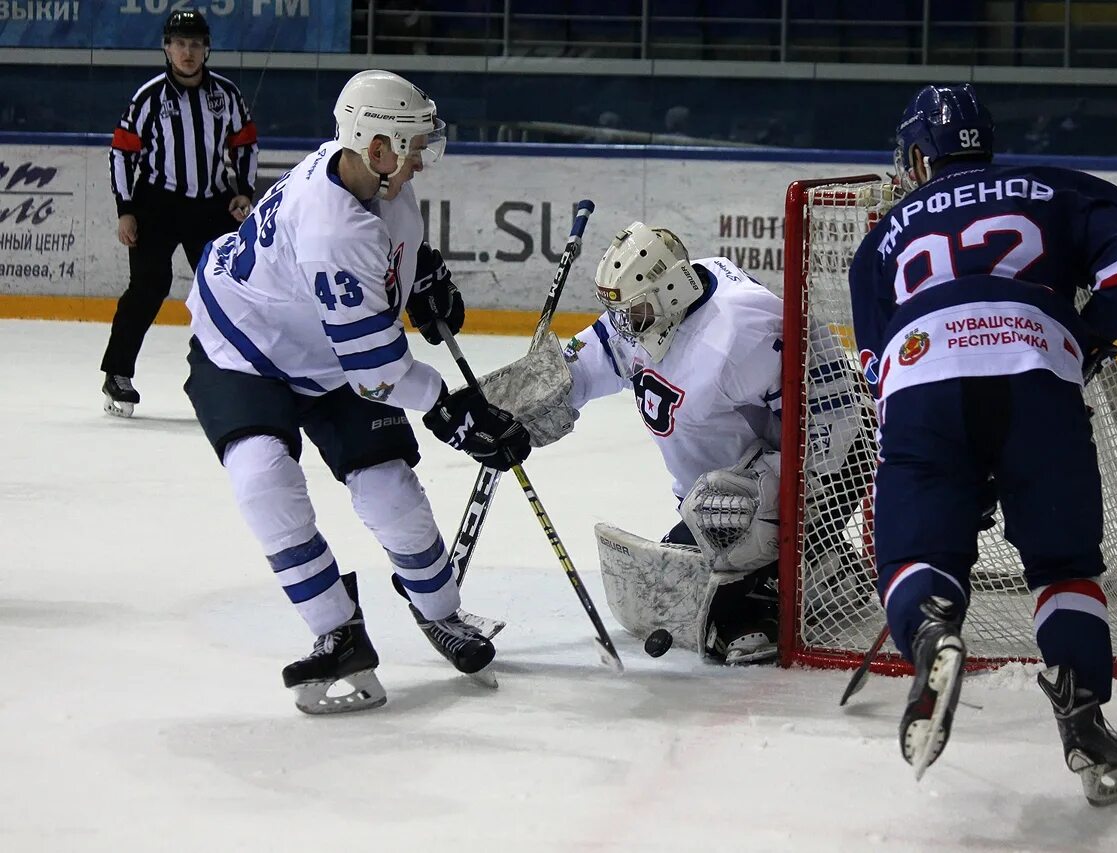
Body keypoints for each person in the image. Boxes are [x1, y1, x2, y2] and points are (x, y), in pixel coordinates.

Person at [848, 84, 1117, 804]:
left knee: (913, 556)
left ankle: (933, 634)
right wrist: (1082, 335)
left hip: (925, 380)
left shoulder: (882, 236)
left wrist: (962, 465)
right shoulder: (1055, 188)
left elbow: (878, 373)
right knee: (1063, 565)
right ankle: (1085, 717)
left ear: (919, 160)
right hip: (1038, 376)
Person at [183, 69, 531, 714]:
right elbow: (378, 373)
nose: (423, 160)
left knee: (389, 489)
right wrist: (453, 412)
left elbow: (392, 261)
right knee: (262, 479)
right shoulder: (333, 230)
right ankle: (335, 630)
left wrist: (420, 281)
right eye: (414, 146)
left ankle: (441, 613)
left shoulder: (370, 178)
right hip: (244, 349)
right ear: (376, 146)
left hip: (326, 350)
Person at [534, 223, 864, 664]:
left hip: (833, 458)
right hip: (722, 488)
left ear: (672, 290)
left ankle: (814, 569)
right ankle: (818, 564)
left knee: (723, 613)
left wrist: (777, 508)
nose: (624, 327)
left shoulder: (742, 330)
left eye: (634, 314)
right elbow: (592, 361)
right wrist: (524, 406)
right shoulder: (653, 309)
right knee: (674, 591)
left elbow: (834, 421)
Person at [102, 9, 259, 417]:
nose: (187, 51)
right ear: (166, 48)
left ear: (206, 49)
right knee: (149, 286)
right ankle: (117, 373)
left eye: (195, 44)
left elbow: (245, 143)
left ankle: (229, 373)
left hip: (211, 203)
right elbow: (123, 152)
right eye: (179, 43)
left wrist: (243, 191)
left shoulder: (225, 94)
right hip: (157, 203)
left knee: (226, 288)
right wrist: (126, 209)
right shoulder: (149, 96)